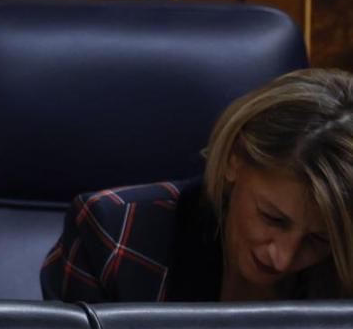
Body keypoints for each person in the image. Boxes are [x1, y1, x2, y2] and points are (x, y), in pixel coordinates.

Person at [42, 68, 353, 302]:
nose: (282, 258)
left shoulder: (343, 267)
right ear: (235, 158)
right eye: (271, 218)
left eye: (318, 240)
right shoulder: (115, 236)